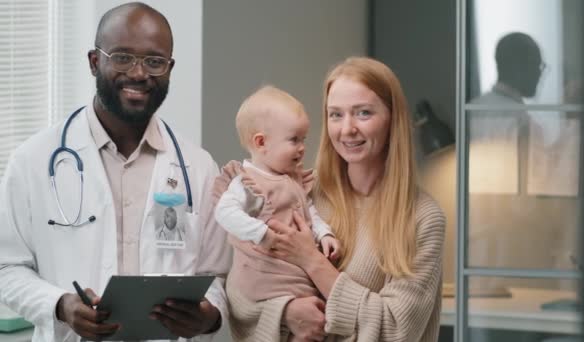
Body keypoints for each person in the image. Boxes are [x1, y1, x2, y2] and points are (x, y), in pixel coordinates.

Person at [0, 3, 231, 341]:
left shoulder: (198, 167)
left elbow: (217, 277)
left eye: (154, 61)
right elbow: (7, 268)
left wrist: (207, 317)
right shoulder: (33, 160)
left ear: (170, 68)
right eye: (122, 57)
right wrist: (60, 305)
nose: (139, 74)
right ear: (95, 62)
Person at [228, 56, 446, 341]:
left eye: (364, 113)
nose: (347, 129)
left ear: (393, 119)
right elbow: (240, 291)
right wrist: (286, 312)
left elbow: (396, 329)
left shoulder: (423, 218)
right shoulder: (299, 192)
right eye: (336, 114)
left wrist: (312, 261)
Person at [212, 85, 341, 341]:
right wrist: (261, 233)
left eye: (304, 139)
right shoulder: (248, 182)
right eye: (294, 140)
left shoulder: (291, 179)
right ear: (261, 143)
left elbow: (307, 210)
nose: (303, 147)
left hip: (297, 275)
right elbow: (224, 213)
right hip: (267, 276)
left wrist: (324, 233)